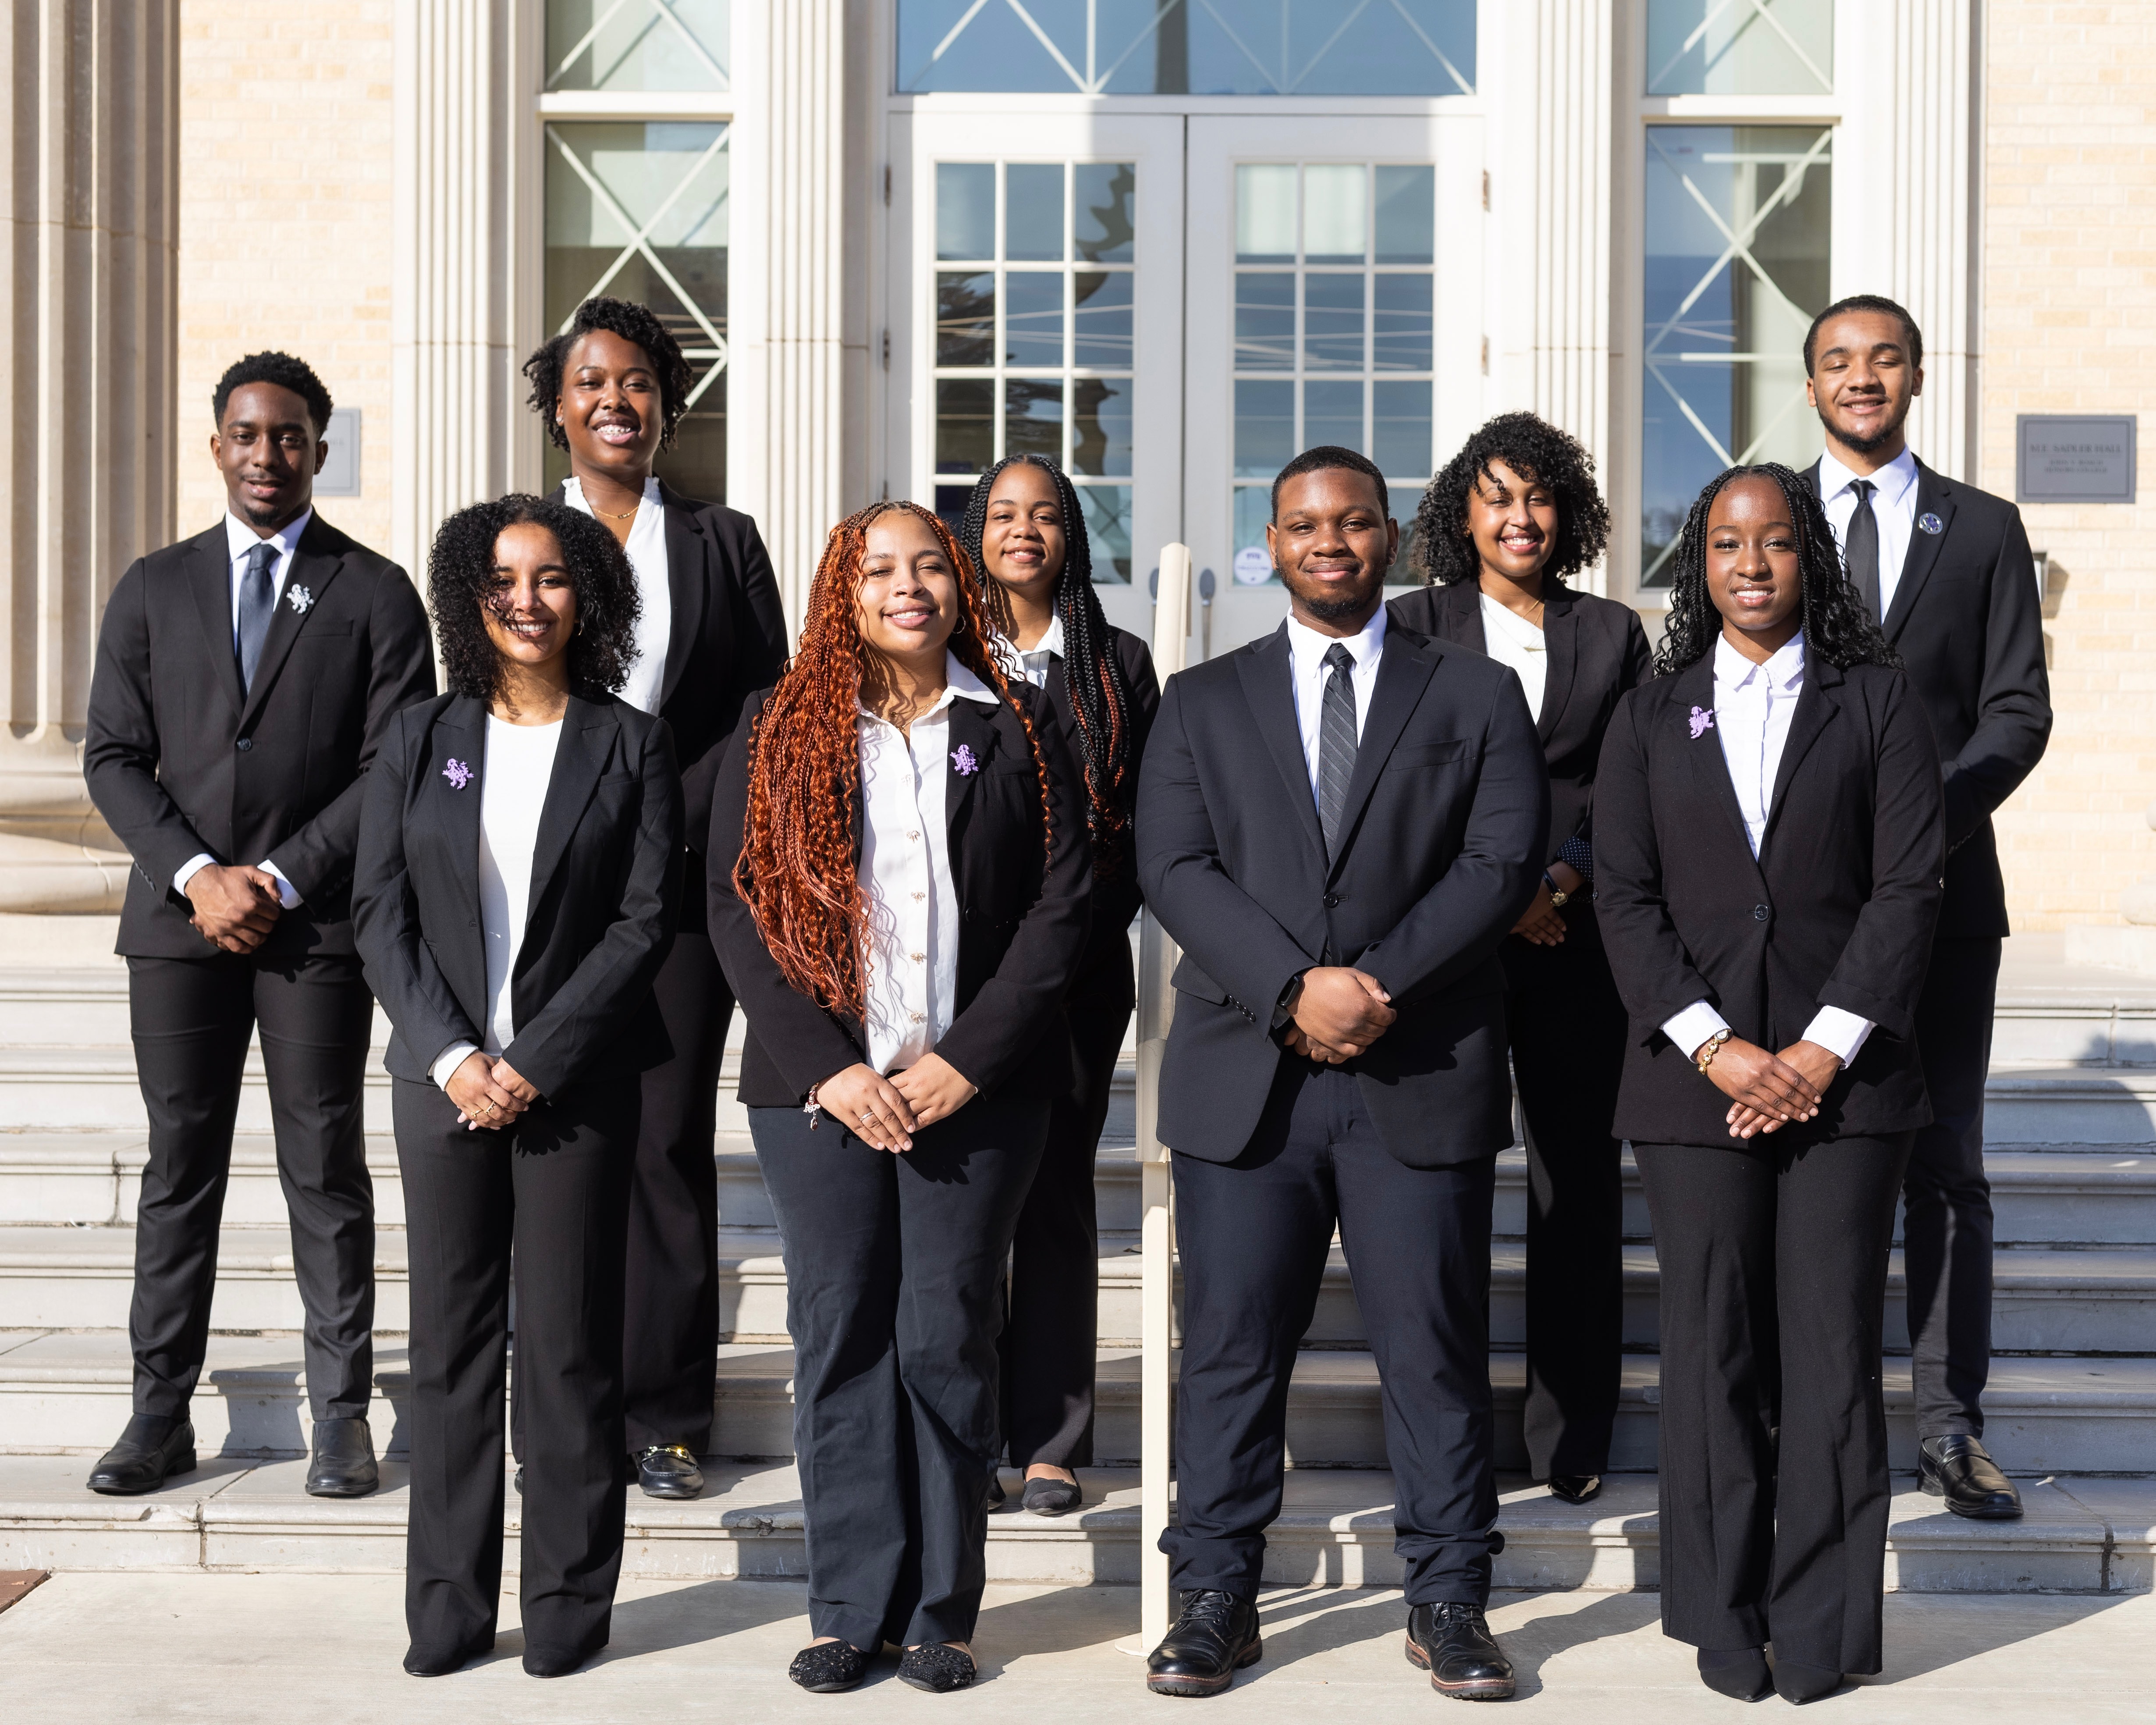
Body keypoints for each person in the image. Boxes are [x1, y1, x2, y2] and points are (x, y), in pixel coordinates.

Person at [1136, 446, 1546, 1701]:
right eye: (1307, 524)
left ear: (1393, 539)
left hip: (1416, 1064)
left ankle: (1450, 1598)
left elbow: (1501, 863)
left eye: (1357, 522)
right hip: (1244, 1076)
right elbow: (1175, 865)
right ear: (1272, 543)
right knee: (1228, 1349)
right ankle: (1216, 1594)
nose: (1333, 543)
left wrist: (1372, 987)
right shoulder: (1200, 700)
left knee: (1432, 1349)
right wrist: (1290, 987)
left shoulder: (1474, 696)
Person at [708, 501, 1091, 1695]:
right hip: (819, 1094)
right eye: (880, 569)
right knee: (840, 1338)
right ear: (845, 589)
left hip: (973, 1092)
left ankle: (939, 1610)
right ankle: (847, 1609)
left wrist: (965, 1060)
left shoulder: (1018, 723)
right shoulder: (776, 726)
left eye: (931, 563)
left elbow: (1065, 906)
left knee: (944, 1335)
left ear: (959, 583)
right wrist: (833, 1067)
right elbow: (736, 907)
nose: (908, 585)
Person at [1594, 463, 1943, 1704]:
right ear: (1699, 561)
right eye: (1729, 543)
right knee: (1713, 1352)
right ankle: (1722, 1614)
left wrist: (1815, 1049)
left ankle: (1826, 1627)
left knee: (1831, 1354)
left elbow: (1909, 887)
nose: (1753, 564)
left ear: (1812, 559)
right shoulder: (1650, 712)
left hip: (1846, 1088)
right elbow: (1625, 902)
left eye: (1778, 542)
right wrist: (1717, 1044)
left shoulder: (1879, 702)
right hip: (1694, 1085)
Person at [82, 352, 436, 1500]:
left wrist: (276, 878)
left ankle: (341, 1418)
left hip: (314, 933)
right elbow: (113, 756)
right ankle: (157, 1414)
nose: (267, 455)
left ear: (320, 451)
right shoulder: (152, 587)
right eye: (247, 434)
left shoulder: (375, 593)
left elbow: (395, 766)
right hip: (178, 929)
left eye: (290, 437)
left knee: (324, 1168)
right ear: (217, 444)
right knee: (180, 1170)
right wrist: (196, 874)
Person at [352, 494, 681, 1679]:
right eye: (505, 579)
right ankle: (445, 1613)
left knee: (568, 1353)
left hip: (574, 1089)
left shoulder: (631, 743)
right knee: (448, 1352)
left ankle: (566, 1612)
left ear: (585, 595)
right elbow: (379, 912)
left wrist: (535, 1058)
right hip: (441, 1086)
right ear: (469, 596)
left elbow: (645, 924)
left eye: (552, 578)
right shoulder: (417, 735)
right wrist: (453, 1055)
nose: (529, 600)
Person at [522, 295, 788, 1501]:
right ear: (557, 406)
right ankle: (568, 1399)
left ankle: (670, 1416)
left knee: (667, 1143)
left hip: (684, 887)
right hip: (547, 889)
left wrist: (693, 813)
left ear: (666, 404)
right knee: (561, 1142)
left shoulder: (723, 542)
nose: (614, 401)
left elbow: (767, 709)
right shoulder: (517, 542)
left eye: (636, 382)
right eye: (591, 382)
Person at [1800, 295, 2051, 1519]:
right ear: (1811, 388)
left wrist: (1921, 826)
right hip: (1794, 912)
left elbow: (2019, 710)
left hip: (1947, 898)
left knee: (1945, 1160)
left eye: (1884, 359)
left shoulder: (1987, 529)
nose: (1863, 379)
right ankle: (1815, 1413)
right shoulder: (1763, 523)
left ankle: (1951, 1427)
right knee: (1815, 1154)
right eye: (1840, 362)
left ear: (1915, 377)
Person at [1389, 413, 1650, 1505]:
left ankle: (1570, 1431)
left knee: (1574, 1190)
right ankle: (1446, 1434)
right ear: (1463, 512)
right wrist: (1496, 903)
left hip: (1577, 942)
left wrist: (1559, 883)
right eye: (1497, 496)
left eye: (1539, 497)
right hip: (1446, 950)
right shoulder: (1412, 625)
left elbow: (1632, 784)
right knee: (1439, 1189)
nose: (1520, 516)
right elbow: (1394, 788)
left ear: (1568, 513)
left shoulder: (1614, 633)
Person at [956, 455, 1159, 1517]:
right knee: (965, 1205)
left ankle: (1050, 1441)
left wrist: (1073, 933)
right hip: (948, 984)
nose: (1023, 529)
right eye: (1001, 513)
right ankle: (970, 1429)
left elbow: (1142, 830)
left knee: (1055, 1200)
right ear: (974, 531)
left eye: (1044, 514)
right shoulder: (939, 652)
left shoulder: (1114, 663)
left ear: (1071, 534)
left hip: (1076, 975)